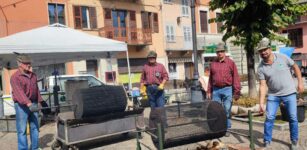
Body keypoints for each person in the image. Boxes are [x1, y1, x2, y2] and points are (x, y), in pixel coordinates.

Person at [257, 38, 303, 149]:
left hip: (289, 93)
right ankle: (267, 141)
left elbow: (295, 67)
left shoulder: (282, 58)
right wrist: (261, 103)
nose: (263, 52)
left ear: (270, 49)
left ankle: (294, 140)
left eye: (265, 50)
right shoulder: (261, 68)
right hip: (273, 95)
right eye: (260, 51)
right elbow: (263, 86)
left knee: (293, 117)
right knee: (269, 117)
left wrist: (300, 83)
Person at [207, 42, 241, 137]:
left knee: (227, 109)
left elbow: (236, 77)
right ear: (216, 53)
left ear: (224, 52)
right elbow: (210, 78)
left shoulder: (231, 63)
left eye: (221, 51)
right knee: (216, 110)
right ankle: (218, 128)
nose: (220, 53)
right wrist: (209, 90)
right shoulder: (213, 63)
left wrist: (236, 91)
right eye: (218, 52)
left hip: (227, 89)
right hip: (216, 90)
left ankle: (227, 128)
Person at [10, 54, 42, 150]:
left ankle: (35, 148)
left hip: (34, 103)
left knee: (35, 128)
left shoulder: (33, 75)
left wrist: (40, 101)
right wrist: (29, 104)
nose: (29, 65)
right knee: (22, 130)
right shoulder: (15, 77)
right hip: (21, 106)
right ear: (19, 64)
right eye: (26, 63)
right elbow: (19, 93)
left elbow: (36, 89)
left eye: (29, 63)